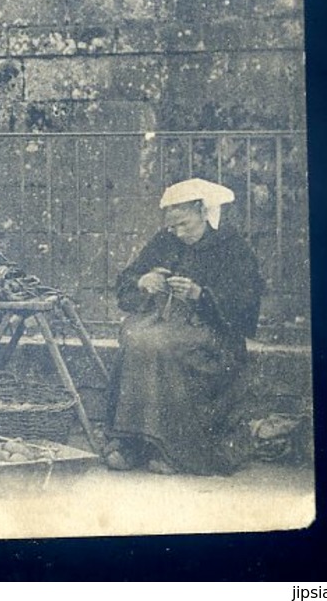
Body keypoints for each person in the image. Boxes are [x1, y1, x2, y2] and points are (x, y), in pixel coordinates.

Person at [104, 178, 265, 476]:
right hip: (164, 323)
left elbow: (245, 302)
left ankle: (173, 450)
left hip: (214, 334)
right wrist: (143, 281)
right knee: (136, 336)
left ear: (203, 212)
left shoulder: (232, 246)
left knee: (162, 344)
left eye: (184, 224)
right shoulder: (166, 240)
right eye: (172, 226)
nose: (177, 232)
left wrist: (199, 294)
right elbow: (128, 280)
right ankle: (133, 443)